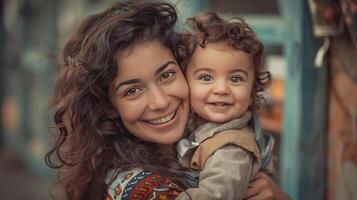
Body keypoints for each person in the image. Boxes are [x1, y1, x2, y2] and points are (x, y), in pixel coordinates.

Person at [45, 1, 290, 200]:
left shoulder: (217, 139)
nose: (160, 102)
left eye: (166, 75)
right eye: (132, 91)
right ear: (108, 107)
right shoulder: (141, 187)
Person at [174, 12, 276, 200]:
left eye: (235, 79)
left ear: (252, 92)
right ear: (185, 82)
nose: (221, 89)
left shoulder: (232, 148)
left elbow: (213, 196)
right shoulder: (191, 126)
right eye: (206, 77)